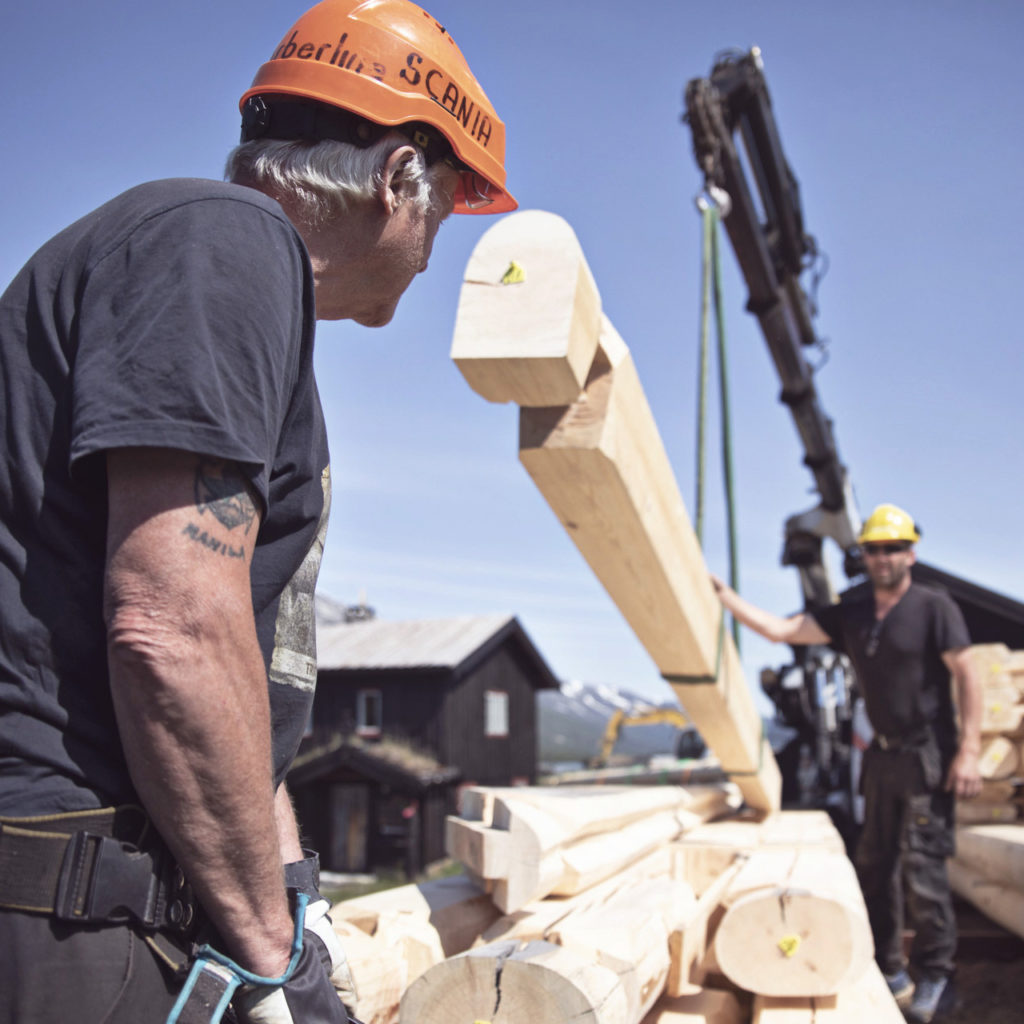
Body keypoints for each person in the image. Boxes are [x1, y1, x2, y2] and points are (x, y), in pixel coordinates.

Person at [0, 2, 515, 1022]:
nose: (429, 252)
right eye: (447, 207)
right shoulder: (223, 242)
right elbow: (170, 629)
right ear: (395, 176)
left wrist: (290, 889)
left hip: (107, 889)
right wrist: (270, 949)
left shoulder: (233, 279)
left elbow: (237, 656)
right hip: (59, 901)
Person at [711, 503, 982, 1024]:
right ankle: (890, 967)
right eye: (874, 549)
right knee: (874, 864)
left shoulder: (933, 606)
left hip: (927, 754)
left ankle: (937, 978)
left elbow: (967, 674)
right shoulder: (852, 610)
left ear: (912, 552)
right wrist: (725, 598)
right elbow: (780, 630)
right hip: (880, 756)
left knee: (923, 870)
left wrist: (968, 749)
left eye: (893, 549)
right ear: (863, 554)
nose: (883, 558)